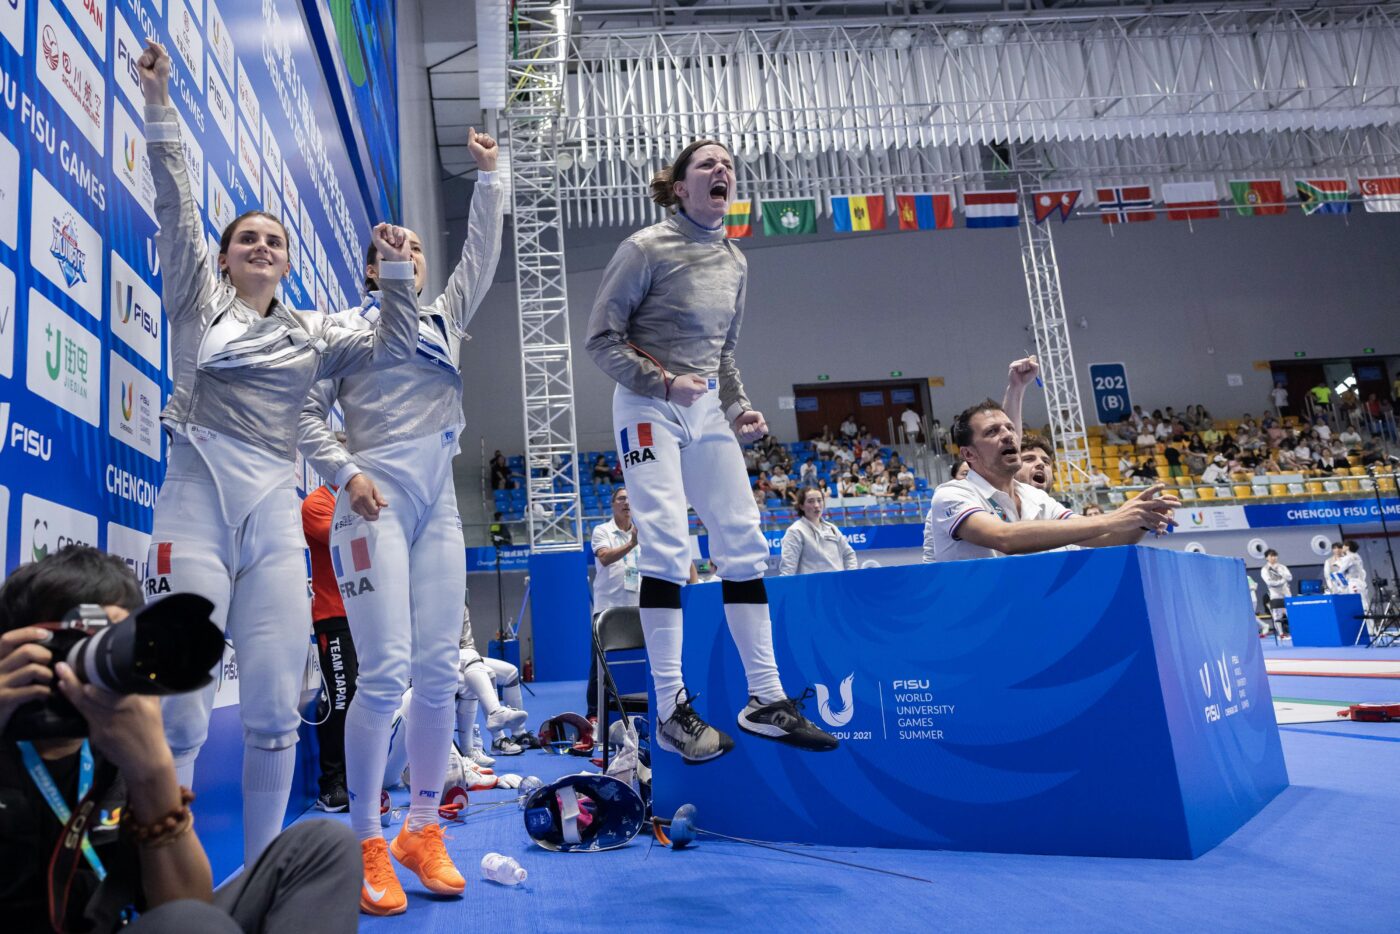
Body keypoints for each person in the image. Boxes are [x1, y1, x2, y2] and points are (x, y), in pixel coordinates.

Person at [137, 42, 418, 867]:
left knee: (272, 713)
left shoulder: (314, 335)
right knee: (181, 711)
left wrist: (398, 273)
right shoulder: (197, 301)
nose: (262, 246)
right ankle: (168, 880)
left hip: (271, 523)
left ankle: (262, 878)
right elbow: (175, 204)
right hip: (193, 505)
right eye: (247, 239)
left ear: (289, 261)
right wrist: (159, 104)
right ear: (225, 256)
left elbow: (395, 346)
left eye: (275, 241)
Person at [295, 123, 510, 914]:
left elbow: (480, 256)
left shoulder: (444, 320)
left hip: (437, 505)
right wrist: (344, 473)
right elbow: (304, 417)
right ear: (372, 268)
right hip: (371, 504)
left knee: (437, 672)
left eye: (419, 251)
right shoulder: (342, 330)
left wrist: (490, 179)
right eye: (397, 251)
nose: (411, 257)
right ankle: (367, 839)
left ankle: (423, 827)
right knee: (383, 674)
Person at [585, 139, 837, 764]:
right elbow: (602, 339)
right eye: (707, 164)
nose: (722, 169)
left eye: (728, 164)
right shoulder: (644, 248)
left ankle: (766, 700)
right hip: (646, 404)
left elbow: (724, 354)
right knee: (668, 545)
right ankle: (670, 710)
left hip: (702, 406)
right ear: (679, 187)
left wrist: (738, 406)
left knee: (744, 542)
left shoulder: (735, 261)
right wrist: (663, 381)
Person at [0, 546, 361, 934]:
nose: (98, 662)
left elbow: (188, 902)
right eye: (75, 641)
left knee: (324, 846)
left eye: (113, 641)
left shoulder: (120, 742)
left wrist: (153, 771)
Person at [922, 400, 1177, 563]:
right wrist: (1113, 518)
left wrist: (1141, 520)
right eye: (992, 431)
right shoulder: (952, 494)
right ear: (968, 454)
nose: (1008, 436)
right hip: (971, 623)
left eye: (1010, 428)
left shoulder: (1037, 497)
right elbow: (1003, 537)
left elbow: (1106, 539)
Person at [301, 474, 357, 814]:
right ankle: (332, 784)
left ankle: (358, 777)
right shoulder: (317, 503)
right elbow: (348, 541)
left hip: (366, 613)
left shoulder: (362, 503)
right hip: (334, 616)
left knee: (368, 697)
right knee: (342, 696)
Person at [588, 488, 640, 722]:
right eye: (621, 498)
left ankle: (632, 709)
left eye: (630, 498)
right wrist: (632, 544)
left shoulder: (642, 530)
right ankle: (594, 713)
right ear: (613, 504)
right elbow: (605, 557)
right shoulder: (602, 531)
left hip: (637, 606)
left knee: (637, 661)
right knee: (600, 665)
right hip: (608, 608)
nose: (626, 502)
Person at [779, 488, 858, 576]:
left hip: (837, 583)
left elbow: (849, 554)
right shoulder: (795, 531)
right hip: (811, 584)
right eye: (810, 501)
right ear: (801, 506)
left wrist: (851, 576)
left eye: (819, 500)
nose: (816, 505)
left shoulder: (832, 528)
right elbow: (788, 570)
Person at [1260, 549, 1292, 636]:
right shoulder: (1264, 569)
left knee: (1291, 613)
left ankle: (1295, 632)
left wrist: (1282, 573)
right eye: (1271, 556)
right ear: (1266, 558)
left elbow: (1289, 577)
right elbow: (1269, 582)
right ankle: (1281, 634)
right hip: (1275, 594)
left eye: (1275, 555)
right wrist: (1282, 581)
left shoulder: (1282, 567)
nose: (1274, 558)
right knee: (1277, 615)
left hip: (1286, 593)